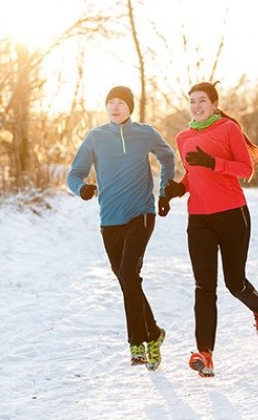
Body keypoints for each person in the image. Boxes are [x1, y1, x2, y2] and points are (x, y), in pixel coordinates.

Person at [164, 81, 258, 378]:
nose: (196, 106)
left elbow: (245, 169)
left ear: (213, 104)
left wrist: (213, 162)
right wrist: (176, 190)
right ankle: (205, 354)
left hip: (232, 215)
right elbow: (191, 174)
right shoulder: (183, 137)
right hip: (199, 219)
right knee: (203, 287)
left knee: (234, 283)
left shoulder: (227, 129)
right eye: (192, 101)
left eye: (202, 101)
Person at [67, 86, 175, 371]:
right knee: (128, 280)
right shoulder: (96, 137)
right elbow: (73, 174)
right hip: (110, 219)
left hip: (141, 213)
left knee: (128, 273)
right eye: (110, 102)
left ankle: (136, 344)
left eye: (121, 102)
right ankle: (154, 333)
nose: (115, 107)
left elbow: (167, 157)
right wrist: (82, 189)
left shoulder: (145, 133)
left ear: (130, 107)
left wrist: (164, 191)